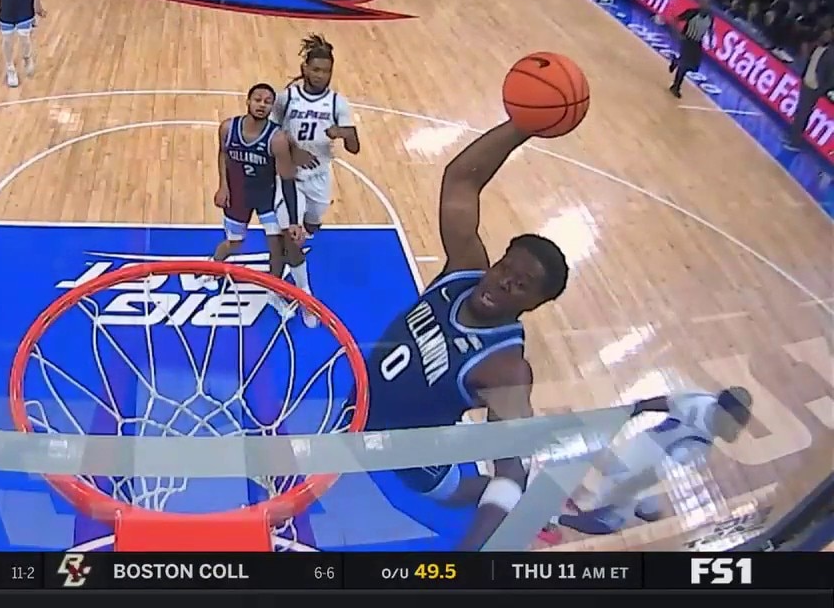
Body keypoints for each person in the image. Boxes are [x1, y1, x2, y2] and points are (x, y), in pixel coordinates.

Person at [360, 120, 570, 550]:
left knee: (462, 492)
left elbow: (509, 469)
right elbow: (461, 180)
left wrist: (468, 555)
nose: (502, 283)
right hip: (358, 407)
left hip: (415, 461)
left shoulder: (505, 369)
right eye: (505, 268)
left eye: (522, 285)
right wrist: (522, 125)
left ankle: (534, 512)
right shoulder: (463, 271)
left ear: (535, 304)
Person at [541, 387, 754, 540]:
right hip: (635, 471)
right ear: (723, 414)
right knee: (606, 522)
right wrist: (621, 493)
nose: (737, 429)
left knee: (651, 510)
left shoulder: (701, 398)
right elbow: (647, 477)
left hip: (642, 448)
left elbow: (663, 402)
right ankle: (552, 518)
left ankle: (641, 512)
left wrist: (636, 409)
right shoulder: (694, 446)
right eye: (735, 422)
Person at [270, 35, 359, 327]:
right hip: (289, 178)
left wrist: (345, 134)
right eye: (317, 70)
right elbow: (269, 134)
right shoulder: (287, 99)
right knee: (293, 237)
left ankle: (286, 257)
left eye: (327, 71)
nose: (321, 76)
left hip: (320, 176)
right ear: (305, 68)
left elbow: (355, 146)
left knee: (311, 227)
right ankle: (305, 296)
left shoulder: (338, 103)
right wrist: (293, 150)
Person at [206, 83, 305, 284]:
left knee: (276, 246)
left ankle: (273, 288)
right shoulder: (227, 127)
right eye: (258, 100)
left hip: (266, 197)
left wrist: (293, 220)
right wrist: (223, 186)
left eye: (268, 102)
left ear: (272, 107)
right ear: (248, 102)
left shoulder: (277, 139)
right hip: (238, 195)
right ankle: (212, 267)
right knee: (234, 243)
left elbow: (287, 179)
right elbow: (223, 154)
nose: (262, 105)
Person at [785, 28, 833, 150]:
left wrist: (820, 90)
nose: (825, 34)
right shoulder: (818, 47)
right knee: (799, 112)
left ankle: (795, 142)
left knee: (803, 114)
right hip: (806, 82)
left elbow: (831, 78)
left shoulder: (831, 53)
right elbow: (811, 63)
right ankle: (791, 135)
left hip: (813, 88)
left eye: (828, 34)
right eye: (825, 32)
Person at [665, 0, 714, 98]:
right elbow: (676, 19)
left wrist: (710, 41)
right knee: (684, 65)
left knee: (694, 67)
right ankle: (676, 87)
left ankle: (676, 61)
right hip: (687, 40)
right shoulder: (692, 13)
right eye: (703, 3)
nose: (705, 5)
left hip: (697, 43)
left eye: (707, 4)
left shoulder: (711, 17)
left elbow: (710, 29)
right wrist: (677, 33)